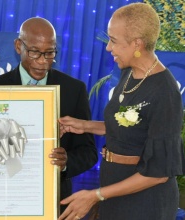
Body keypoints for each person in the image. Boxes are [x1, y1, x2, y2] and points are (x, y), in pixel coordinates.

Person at [58, 3, 185, 220]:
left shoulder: (165, 91)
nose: (108, 48)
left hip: (145, 201)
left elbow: (159, 173)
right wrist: (85, 126)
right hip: (115, 188)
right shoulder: (128, 74)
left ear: (137, 44)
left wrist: (96, 195)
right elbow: (129, 125)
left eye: (114, 41)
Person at [0, 17, 98, 213]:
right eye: (35, 52)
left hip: (53, 201)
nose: (43, 62)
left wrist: (65, 163)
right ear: (19, 46)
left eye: (50, 53)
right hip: (3, 199)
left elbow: (88, 152)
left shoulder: (73, 89)